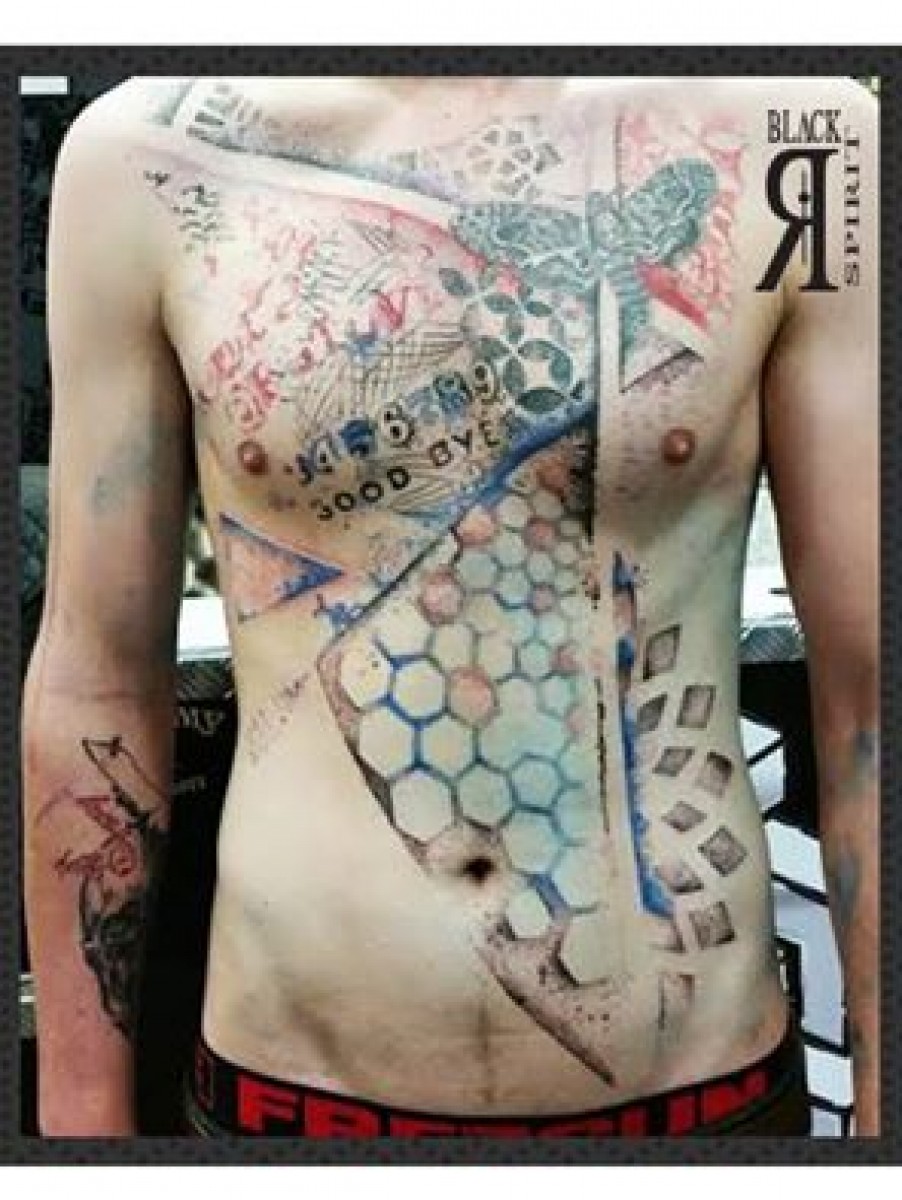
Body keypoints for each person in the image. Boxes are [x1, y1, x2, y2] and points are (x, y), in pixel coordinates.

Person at [22, 75, 878, 1138]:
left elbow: (867, 700)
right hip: (288, 1092)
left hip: (699, 1097)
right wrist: (74, 1127)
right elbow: (96, 680)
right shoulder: (138, 157)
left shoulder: (800, 140)